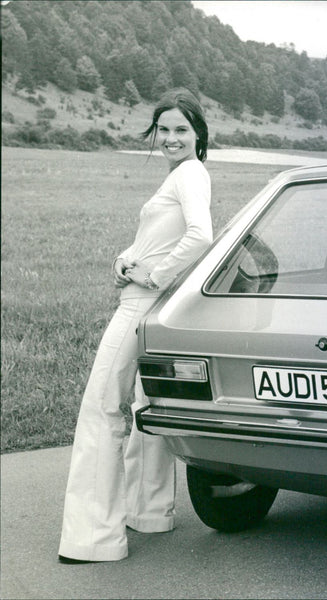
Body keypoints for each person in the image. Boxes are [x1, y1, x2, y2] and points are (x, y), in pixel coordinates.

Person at [58, 88, 213, 563]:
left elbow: (201, 235)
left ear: (198, 134)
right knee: (145, 403)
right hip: (147, 298)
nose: (170, 138)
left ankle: (94, 539)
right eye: (163, 129)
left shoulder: (190, 173)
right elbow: (158, 238)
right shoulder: (184, 174)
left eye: (180, 130)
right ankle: (148, 512)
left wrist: (156, 275)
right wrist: (126, 260)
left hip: (142, 302)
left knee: (102, 407)